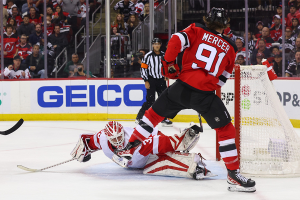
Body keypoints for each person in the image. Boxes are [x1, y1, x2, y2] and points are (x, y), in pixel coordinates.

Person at [114, 8, 256, 192]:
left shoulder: (196, 28)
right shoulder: (230, 46)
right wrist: (205, 87)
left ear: (207, 19)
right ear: (226, 23)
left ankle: (129, 148)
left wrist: (169, 63)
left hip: (180, 88)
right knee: (226, 129)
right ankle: (233, 175)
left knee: (152, 115)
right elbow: (222, 79)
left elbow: (175, 40)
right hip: (205, 95)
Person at [70, 121, 215, 180]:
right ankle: (188, 162)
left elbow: (153, 141)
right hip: (141, 163)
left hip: (145, 150)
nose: (118, 141)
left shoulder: (134, 140)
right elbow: (86, 141)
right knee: (155, 166)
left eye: (119, 136)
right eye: (113, 139)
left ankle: (179, 141)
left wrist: (177, 140)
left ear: (122, 132)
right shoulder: (102, 138)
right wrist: (82, 152)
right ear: (107, 138)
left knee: (154, 148)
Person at [136, 38, 172, 126]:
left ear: (160, 45)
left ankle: (163, 118)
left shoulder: (164, 55)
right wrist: (146, 80)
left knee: (164, 100)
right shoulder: (147, 56)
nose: (156, 45)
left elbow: (167, 66)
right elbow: (143, 68)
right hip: (151, 80)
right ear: (152, 45)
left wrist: (166, 75)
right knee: (150, 101)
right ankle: (139, 117)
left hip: (161, 80)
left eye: (158, 44)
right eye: (155, 44)